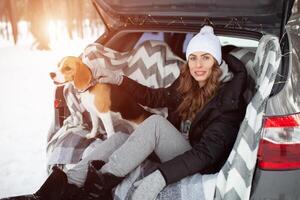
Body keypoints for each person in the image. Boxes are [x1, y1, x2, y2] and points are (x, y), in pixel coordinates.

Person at [1, 26, 247, 200]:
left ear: (216, 61)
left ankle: (98, 187)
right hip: (180, 147)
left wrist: (160, 176)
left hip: (198, 161)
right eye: (193, 58)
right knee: (118, 138)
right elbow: (155, 97)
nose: (198, 64)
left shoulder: (228, 99)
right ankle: (59, 186)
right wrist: (120, 79)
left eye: (206, 57)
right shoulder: (189, 82)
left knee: (154, 123)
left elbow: (206, 154)